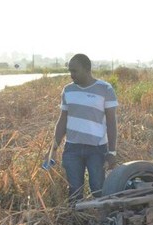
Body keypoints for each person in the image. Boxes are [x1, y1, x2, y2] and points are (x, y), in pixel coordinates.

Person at [44, 53, 118, 202]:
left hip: (96, 150)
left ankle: (102, 220)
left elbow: (112, 123)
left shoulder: (105, 89)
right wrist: (52, 149)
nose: (71, 75)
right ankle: (75, 220)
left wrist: (112, 151)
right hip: (72, 149)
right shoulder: (68, 90)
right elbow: (62, 121)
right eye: (69, 71)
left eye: (74, 71)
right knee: (74, 191)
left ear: (87, 69)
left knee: (98, 189)